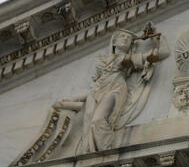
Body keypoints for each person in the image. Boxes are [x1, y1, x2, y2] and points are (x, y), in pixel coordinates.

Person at [53, 25, 163, 153]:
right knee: (88, 126)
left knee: (98, 120)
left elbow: (159, 54)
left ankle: (104, 152)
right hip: (97, 92)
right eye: (122, 36)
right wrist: (72, 99)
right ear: (114, 41)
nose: (125, 39)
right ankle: (90, 154)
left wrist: (156, 38)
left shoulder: (127, 59)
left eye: (128, 38)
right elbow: (94, 86)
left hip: (115, 89)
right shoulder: (102, 61)